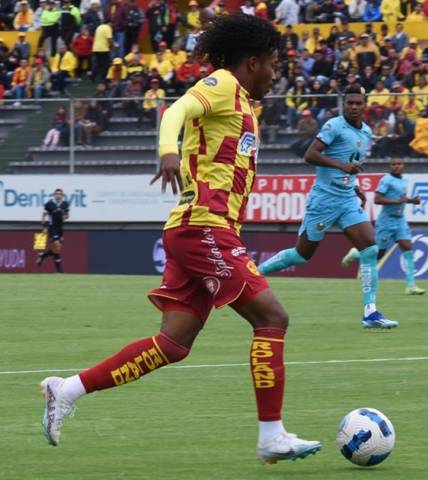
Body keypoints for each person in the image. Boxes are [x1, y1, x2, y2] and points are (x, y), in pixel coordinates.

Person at [39, 14, 321, 465]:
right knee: (272, 317)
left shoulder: (245, 104)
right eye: (272, 64)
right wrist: (167, 150)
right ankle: (271, 435)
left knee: (174, 343)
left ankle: (66, 388)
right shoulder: (224, 83)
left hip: (199, 229)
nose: (275, 72)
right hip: (203, 227)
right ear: (252, 62)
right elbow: (176, 110)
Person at [257, 85, 398, 330]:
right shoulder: (333, 126)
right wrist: (340, 167)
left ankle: (370, 312)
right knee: (302, 255)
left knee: (369, 248)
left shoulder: (365, 132)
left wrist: (355, 187)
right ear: (345, 104)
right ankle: (255, 273)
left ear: (364, 105)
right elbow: (310, 155)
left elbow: (351, 163)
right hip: (323, 200)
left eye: (358, 103)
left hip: (347, 199)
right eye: (350, 103)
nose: (354, 107)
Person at [341, 158, 426, 296]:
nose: (397, 166)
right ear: (390, 166)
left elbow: (401, 198)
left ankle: (411, 286)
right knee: (379, 253)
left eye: (399, 164)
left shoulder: (403, 181)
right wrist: (397, 201)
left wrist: (412, 201)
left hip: (400, 220)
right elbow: (377, 199)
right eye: (394, 164)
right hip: (386, 221)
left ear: (403, 166)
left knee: (407, 246)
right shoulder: (386, 180)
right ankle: (355, 254)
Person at [36, 188, 70, 273]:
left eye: (60, 194)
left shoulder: (65, 204)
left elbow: (66, 216)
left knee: (57, 249)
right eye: (56, 194)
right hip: (52, 227)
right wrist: (44, 226)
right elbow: (44, 215)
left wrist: (64, 216)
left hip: (60, 228)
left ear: (62, 195)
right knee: (57, 245)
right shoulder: (49, 204)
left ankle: (42, 256)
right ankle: (59, 270)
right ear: (54, 195)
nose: (58, 195)